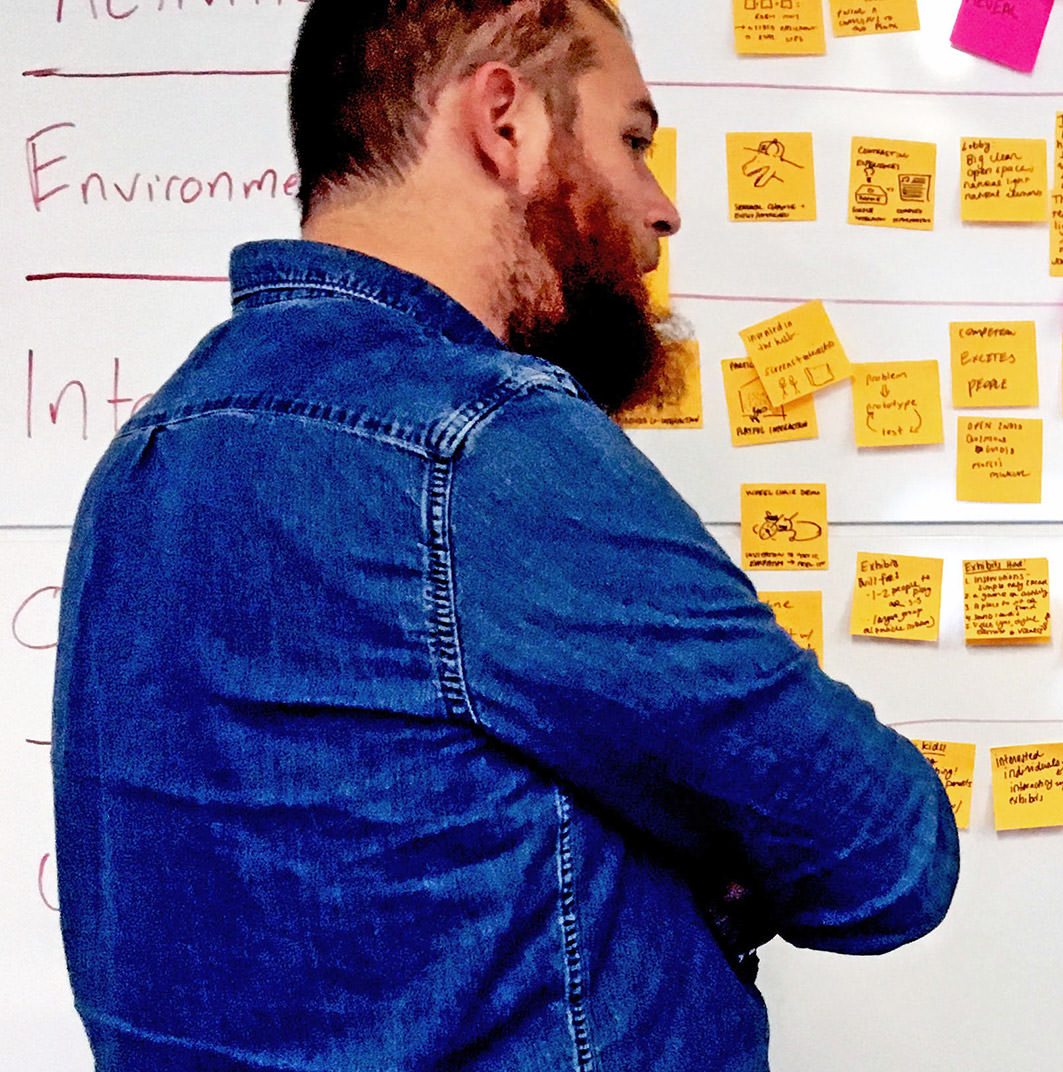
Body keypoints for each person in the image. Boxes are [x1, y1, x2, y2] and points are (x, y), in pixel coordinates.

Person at [51, 3, 958, 1068]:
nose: (660, 209)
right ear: (504, 121)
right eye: (631, 139)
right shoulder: (481, 452)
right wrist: (692, 842)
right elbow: (885, 854)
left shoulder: (143, 456)